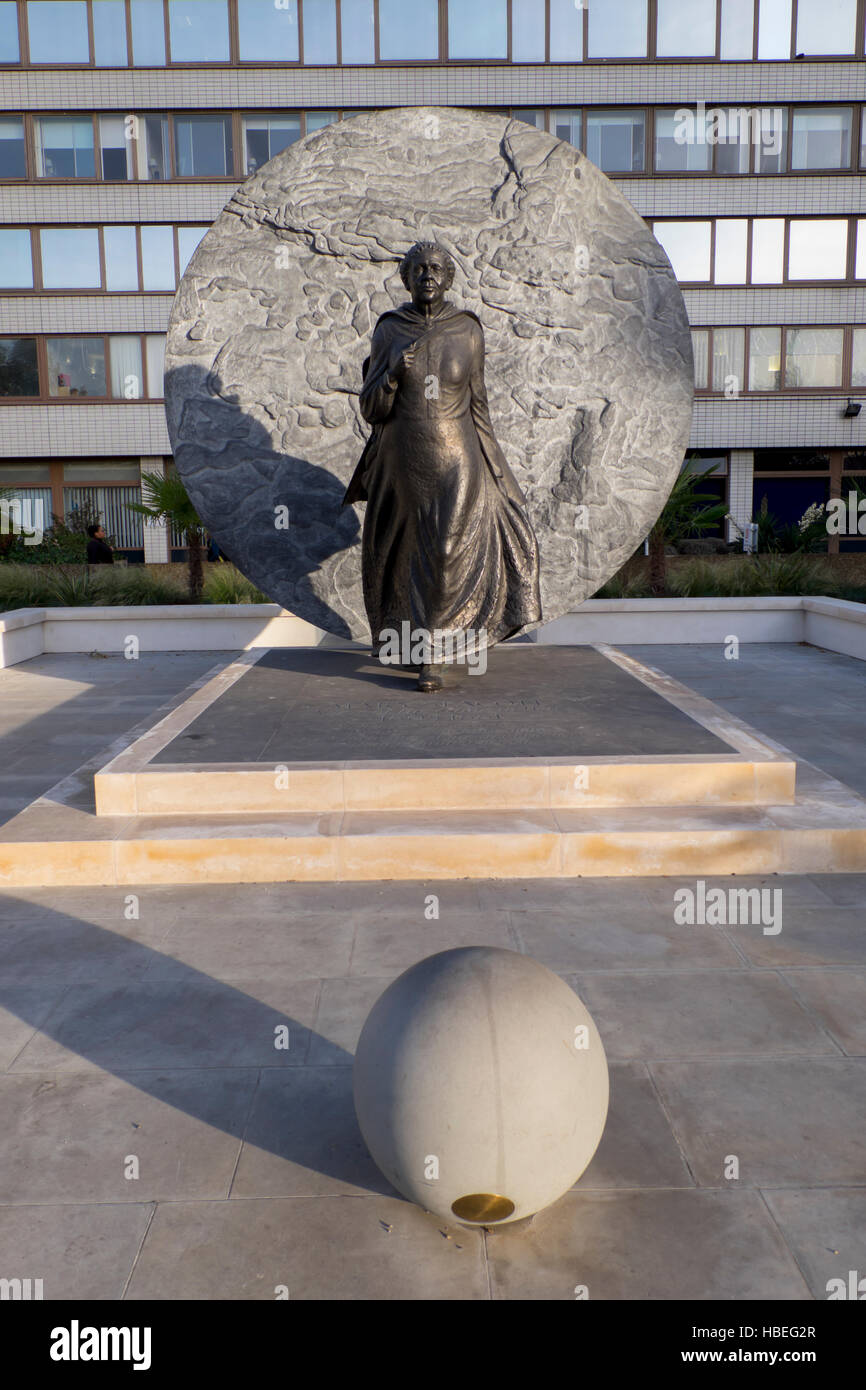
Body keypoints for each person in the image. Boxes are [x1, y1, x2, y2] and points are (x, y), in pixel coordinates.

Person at [343, 241, 541, 692]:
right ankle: (411, 644)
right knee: (410, 554)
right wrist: (392, 371)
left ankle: (434, 653)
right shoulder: (389, 330)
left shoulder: (468, 330)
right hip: (404, 457)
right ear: (407, 278)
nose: (427, 275)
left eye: (435, 269)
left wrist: (501, 472)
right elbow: (371, 409)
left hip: (458, 454)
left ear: (448, 278)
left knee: (448, 548)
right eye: (418, 269)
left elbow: (479, 404)